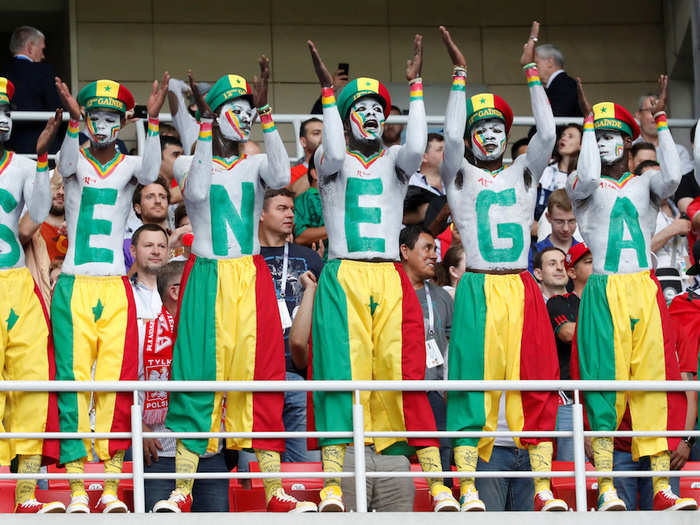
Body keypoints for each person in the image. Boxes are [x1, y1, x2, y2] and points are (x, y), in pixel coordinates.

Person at [306, 36, 458, 513]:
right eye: (362, 107)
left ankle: (435, 480)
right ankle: (333, 480)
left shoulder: (395, 161)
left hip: (389, 276)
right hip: (344, 273)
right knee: (337, 374)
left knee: (407, 373)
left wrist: (415, 87)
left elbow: (416, 144)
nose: (372, 115)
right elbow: (332, 147)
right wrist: (329, 95)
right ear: (347, 114)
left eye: (378, 108)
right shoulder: (329, 161)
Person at [159, 61, 315, 513]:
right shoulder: (191, 158)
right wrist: (205, 125)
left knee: (262, 376)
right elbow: (199, 193)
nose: (243, 117)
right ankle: (181, 490)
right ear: (215, 113)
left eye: (248, 110)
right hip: (207, 273)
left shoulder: (256, 163)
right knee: (196, 377)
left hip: (249, 275)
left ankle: (274, 490)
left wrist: (267, 112)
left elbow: (284, 174)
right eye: (237, 109)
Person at [439, 23, 566, 512]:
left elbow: (550, 132)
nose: (489, 135)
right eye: (481, 129)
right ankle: (467, 483)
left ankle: (542, 484)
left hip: (521, 284)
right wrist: (458, 76)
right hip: (477, 285)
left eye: (497, 128)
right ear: (472, 137)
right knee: (472, 381)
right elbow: (449, 135)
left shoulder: (524, 170)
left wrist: (531, 71)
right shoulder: (458, 173)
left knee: (535, 376)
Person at [567, 75, 696, 511]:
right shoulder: (581, 188)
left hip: (644, 285)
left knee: (652, 385)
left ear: (626, 141)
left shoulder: (646, 182)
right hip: (604, 289)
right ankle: (605, 484)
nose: (605, 144)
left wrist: (660, 120)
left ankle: (662, 484)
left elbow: (676, 176)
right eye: (598, 138)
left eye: (612, 136)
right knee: (604, 386)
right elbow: (586, 173)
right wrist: (586, 124)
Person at [51, 72, 169, 513]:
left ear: (120, 123)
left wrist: (152, 122)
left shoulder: (128, 166)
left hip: (116, 287)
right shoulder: (78, 161)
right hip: (76, 283)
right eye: (94, 116)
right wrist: (73, 122)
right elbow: (63, 165)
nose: (100, 124)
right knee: (73, 385)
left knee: (119, 385)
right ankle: (79, 489)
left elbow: (153, 171)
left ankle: (115, 488)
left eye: (108, 117)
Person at [0, 79, 63, 513]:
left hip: (17, 283)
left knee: (31, 385)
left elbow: (38, 214)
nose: (4, 118)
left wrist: (42, 158)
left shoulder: (23, 165)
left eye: (7, 110)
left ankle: (25, 493)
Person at [258, 187, 323, 462]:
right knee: (257, 472)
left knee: (306, 472)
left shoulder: (310, 258)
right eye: (281, 208)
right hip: (256, 376)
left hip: (299, 373)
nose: (290, 215)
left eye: (292, 210)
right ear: (261, 214)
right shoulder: (244, 257)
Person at [400, 225, 454, 486]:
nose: (434, 255)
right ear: (405, 251)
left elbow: (450, 343)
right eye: (427, 248)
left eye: (436, 249)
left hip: (434, 391)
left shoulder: (442, 296)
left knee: (441, 456)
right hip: (397, 391)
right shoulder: (391, 291)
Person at [546, 243, 593, 461]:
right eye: (589, 262)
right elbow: (567, 333)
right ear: (572, 272)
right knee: (571, 474)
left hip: (607, 398)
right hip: (570, 400)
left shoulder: (613, 303)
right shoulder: (559, 302)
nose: (597, 267)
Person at [2, 26, 62, 154]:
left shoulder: (3, 72)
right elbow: (57, 110)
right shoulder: (43, 72)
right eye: (42, 49)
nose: (43, 56)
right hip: (41, 149)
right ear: (30, 47)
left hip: (7, 150)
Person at [635, 92, 693, 175]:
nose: (655, 114)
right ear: (638, 115)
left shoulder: (679, 152)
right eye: (650, 110)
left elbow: (684, 183)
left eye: (659, 111)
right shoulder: (630, 149)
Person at [124, 177, 171, 272]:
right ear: (138, 208)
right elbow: (125, 284)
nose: (158, 201)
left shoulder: (182, 241)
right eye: (150, 197)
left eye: (162, 197)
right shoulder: (127, 246)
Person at [535, 124, 581, 220]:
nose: (564, 138)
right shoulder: (545, 167)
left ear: (581, 145)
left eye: (570, 136)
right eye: (563, 135)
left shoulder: (582, 176)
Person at [529, 189, 579, 273]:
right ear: (548, 217)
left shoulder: (585, 253)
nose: (565, 228)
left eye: (571, 221)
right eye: (559, 221)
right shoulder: (533, 254)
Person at [534, 44, 581, 118]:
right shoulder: (561, 84)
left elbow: (552, 120)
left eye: (536, 64)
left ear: (550, 62)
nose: (533, 69)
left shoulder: (565, 85)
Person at [294, 153, 326, 256]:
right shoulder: (307, 198)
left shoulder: (342, 197)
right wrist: (338, 228)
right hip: (319, 264)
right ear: (315, 174)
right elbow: (300, 236)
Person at [289, 118, 323, 196]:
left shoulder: (336, 167)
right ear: (303, 142)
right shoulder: (292, 173)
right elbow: (294, 195)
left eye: (326, 133)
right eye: (316, 133)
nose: (323, 137)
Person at [39, 171, 67, 262]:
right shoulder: (32, 229)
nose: (61, 192)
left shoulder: (77, 230)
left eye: (65, 188)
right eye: (56, 187)